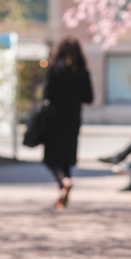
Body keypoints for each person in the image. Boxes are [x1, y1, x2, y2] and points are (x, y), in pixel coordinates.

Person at [42, 37, 93, 209]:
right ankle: (64, 192)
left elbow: (46, 93)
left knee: (51, 158)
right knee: (66, 157)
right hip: (73, 120)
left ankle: (64, 181)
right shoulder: (83, 72)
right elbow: (89, 98)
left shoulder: (55, 69)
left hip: (55, 119)